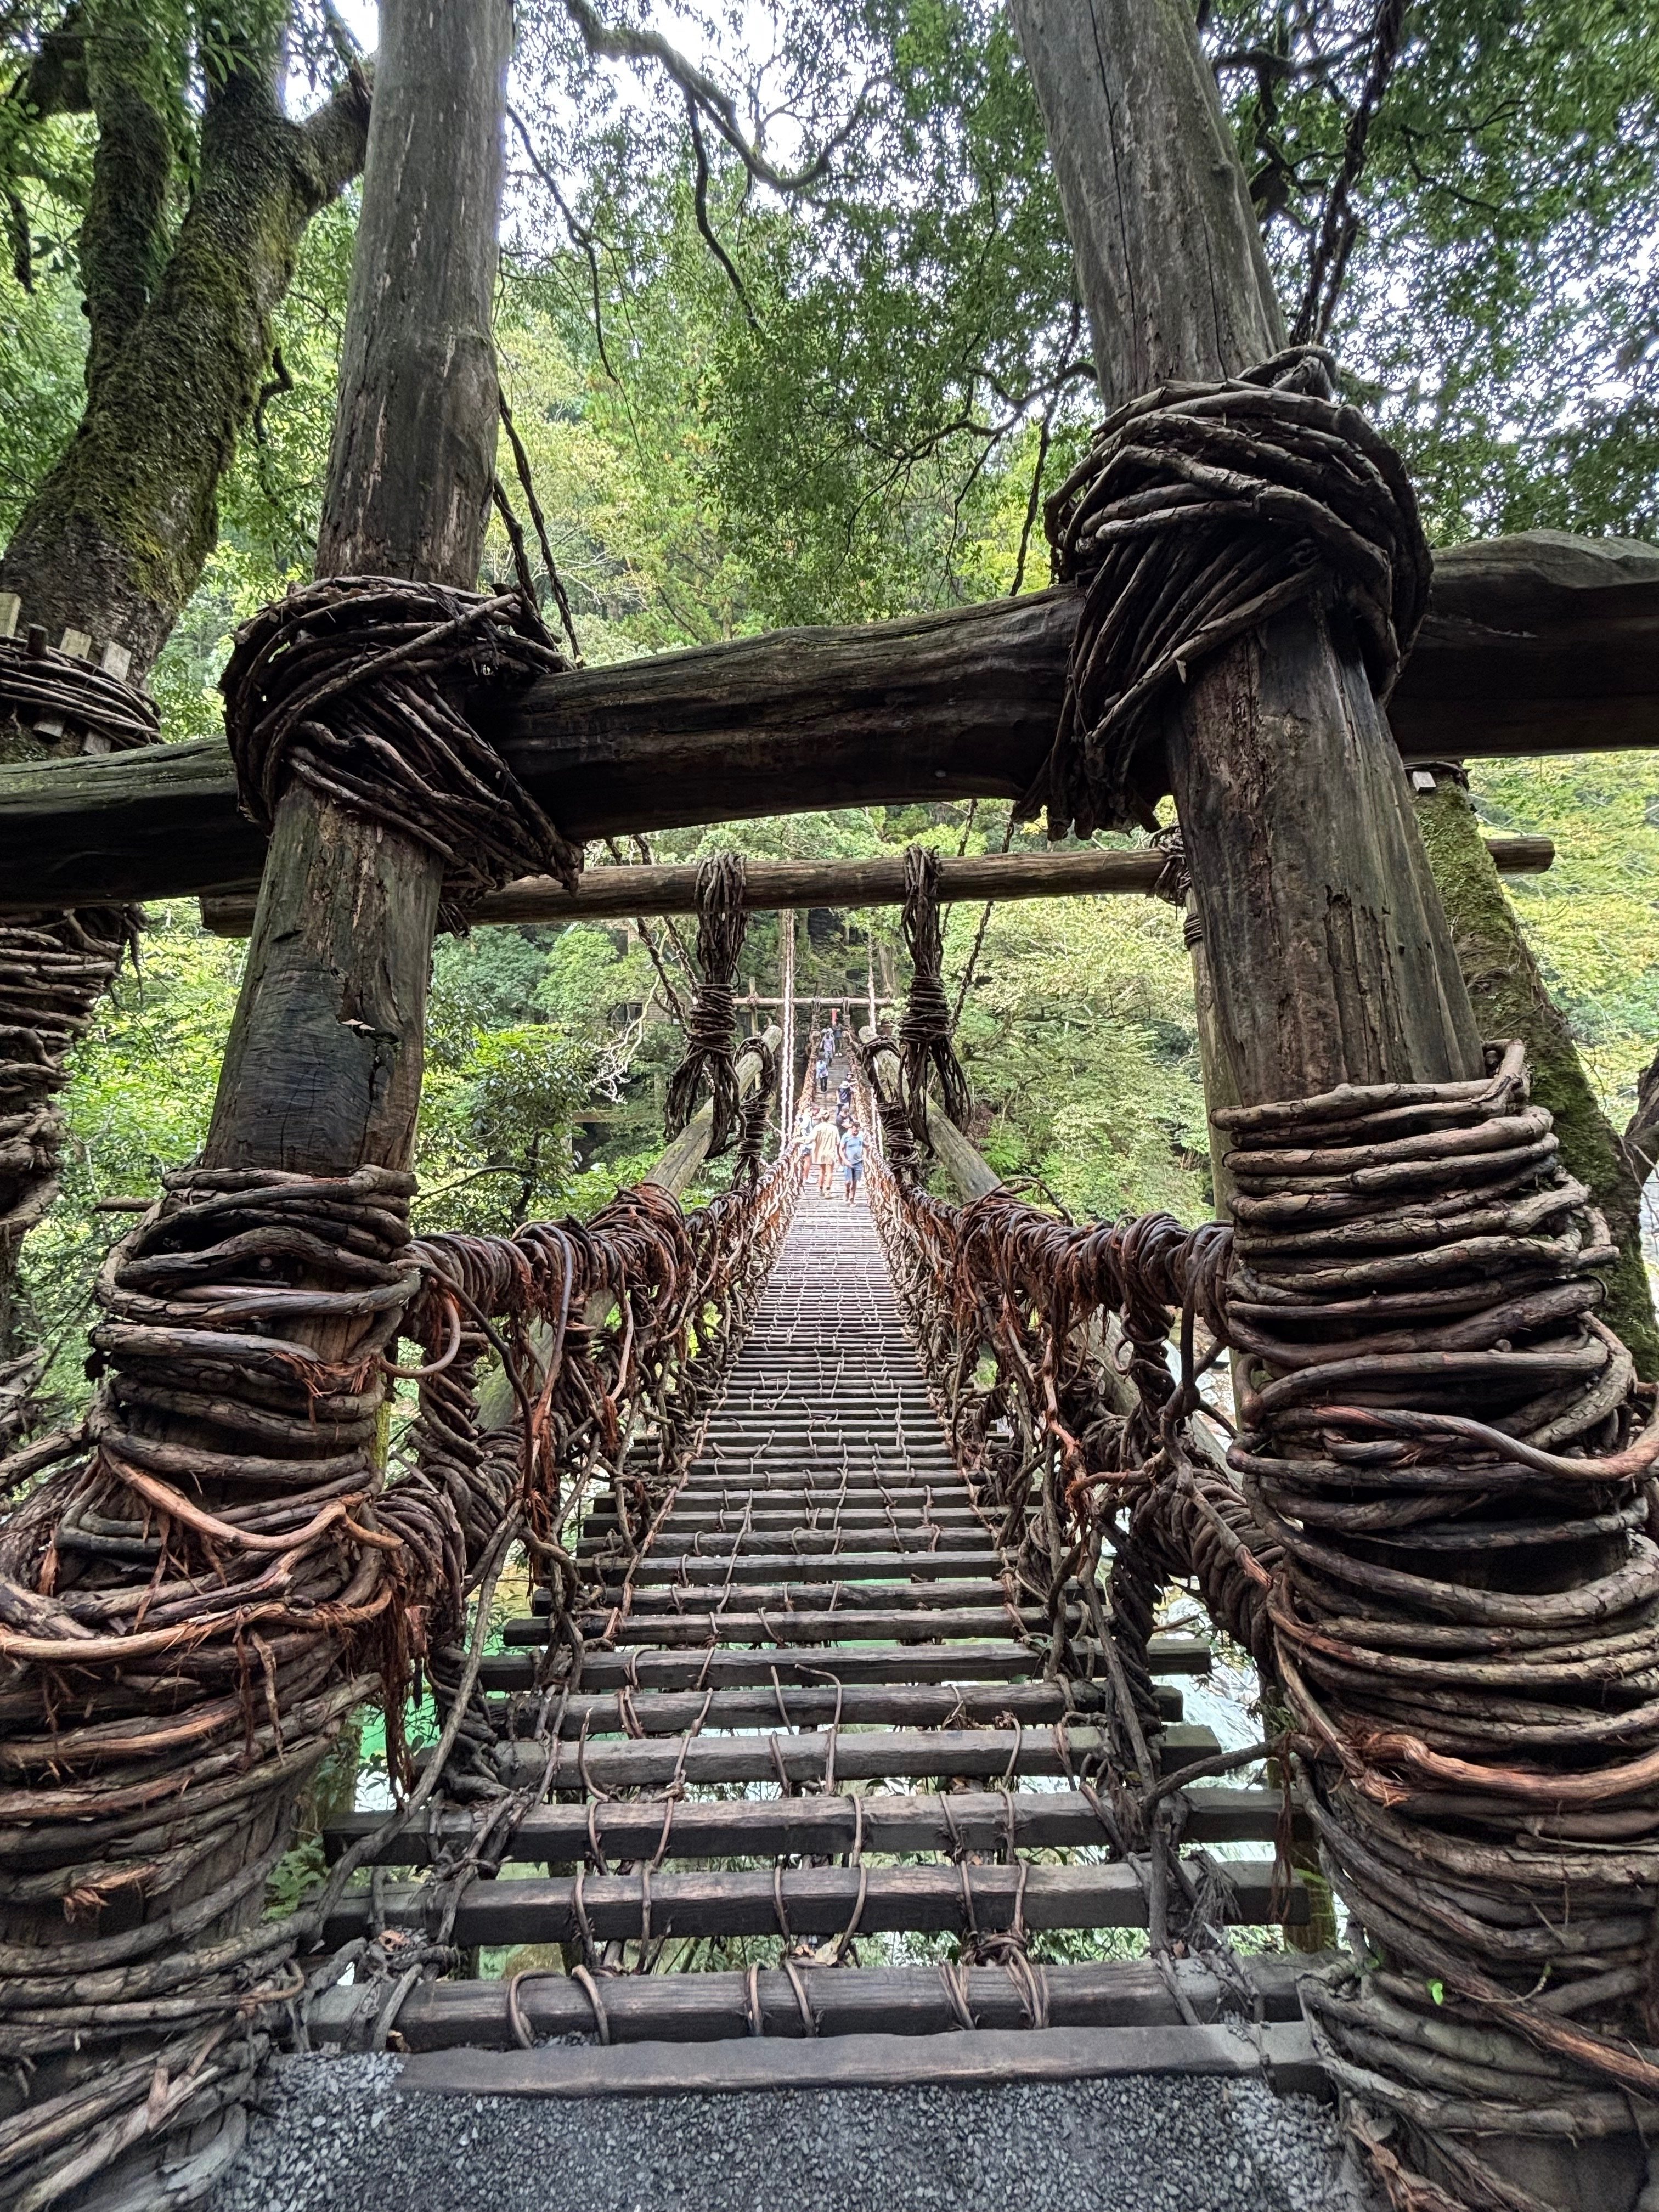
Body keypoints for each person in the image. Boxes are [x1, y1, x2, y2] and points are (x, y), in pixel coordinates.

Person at [810, 1112, 840, 1195]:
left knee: (822, 1172)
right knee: (830, 1172)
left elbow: (812, 1138)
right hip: (830, 1153)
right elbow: (838, 1142)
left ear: (821, 1118)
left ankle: (820, 1190)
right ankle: (828, 1191)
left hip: (820, 1153)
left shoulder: (817, 1128)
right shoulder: (834, 1128)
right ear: (829, 1118)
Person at [839, 1120, 866, 1205]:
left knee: (854, 1182)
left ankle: (852, 1200)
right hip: (848, 1163)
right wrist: (845, 1160)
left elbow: (863, 1144)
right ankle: (847, 1191)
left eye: (857, 1131)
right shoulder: (846, 1136)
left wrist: (870, 1146)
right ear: (852, 1129)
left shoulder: (861, 1136)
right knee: (848, 1182)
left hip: (859, 1162)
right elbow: (841, 1149)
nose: (856, 1133)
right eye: (855, 1131)